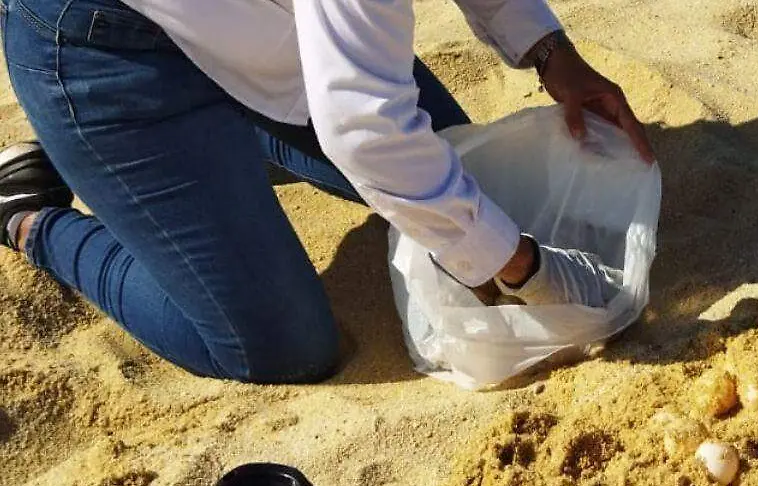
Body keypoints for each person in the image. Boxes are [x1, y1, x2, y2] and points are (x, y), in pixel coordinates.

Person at [0, 0, 654, 383]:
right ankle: (33, 219)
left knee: (459, 176)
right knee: (280, 345)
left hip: (266, 38)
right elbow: (368, 132)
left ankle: (213, 162)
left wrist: (547, 50)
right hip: (104, 48)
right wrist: (526, 268)